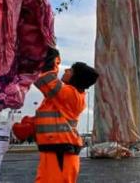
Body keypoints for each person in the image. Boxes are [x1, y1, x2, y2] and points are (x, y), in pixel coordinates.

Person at [34, 47, 98, 183]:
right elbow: (47, 116)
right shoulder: (65, 97)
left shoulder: (71, 95)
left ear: (76, 77)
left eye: (70, 70)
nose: (65, 70)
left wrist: (53, 59)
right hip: (55, 151)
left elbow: (44, 79)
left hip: (60, 152)